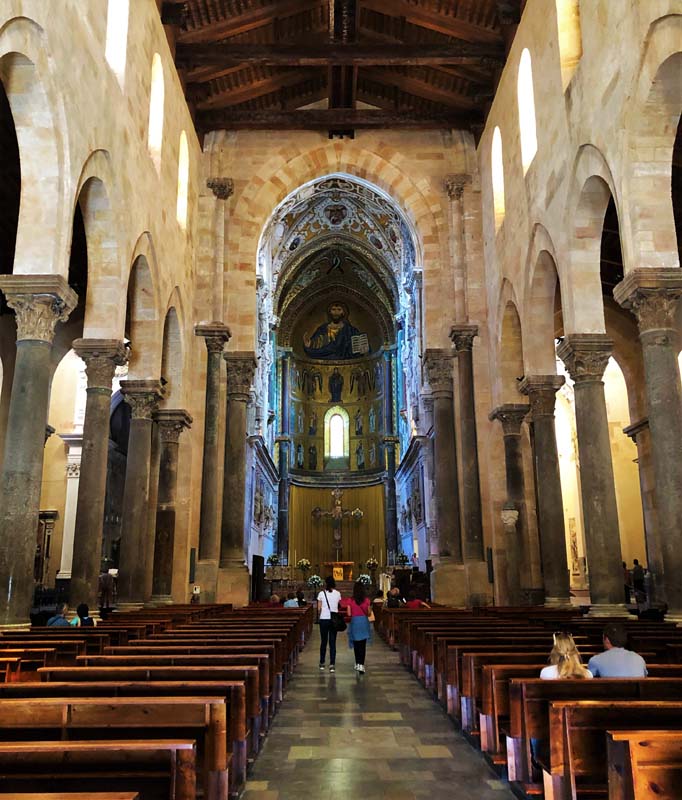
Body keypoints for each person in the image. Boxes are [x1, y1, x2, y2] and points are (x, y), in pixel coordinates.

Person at [342, 581, 373, 674]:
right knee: (362, 645)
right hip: (363, 622)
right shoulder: (367, 600)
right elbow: (369, 613)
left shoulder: (350, 600)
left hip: (355, 622)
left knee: (356, 645)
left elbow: (349, 613)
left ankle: (358, 663)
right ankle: (361, 666)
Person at [317, 576, 342, 672]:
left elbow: (319, 608)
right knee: (332, 642)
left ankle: (322, 663)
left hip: (324, 619)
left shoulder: (321, 593)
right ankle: (332, 664)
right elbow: (337, 605)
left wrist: (321, 613)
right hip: (333, 620)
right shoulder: (337, 593)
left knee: (323, 641)